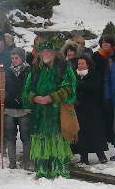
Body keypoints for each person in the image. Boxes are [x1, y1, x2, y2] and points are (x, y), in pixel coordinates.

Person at [23, 41, 77, 178]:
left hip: (57, 112)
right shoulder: (34, 69)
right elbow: (26, 91)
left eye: (49, 51)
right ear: (39, 53)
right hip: (40, 114)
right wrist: (34, 98)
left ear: (54, 53)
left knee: (58, 140)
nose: (46, 53)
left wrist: (52, 97)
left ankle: (59, 169)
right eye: (43, 51)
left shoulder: (64, 67)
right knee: (41, 141)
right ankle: (42, 169)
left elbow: (70, 87)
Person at [73, 51, 109, 164]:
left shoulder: (94, 74)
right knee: (81, 134)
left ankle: (101, 154)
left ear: (88, 64)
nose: (81, 65)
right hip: (79, 108)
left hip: (92, 108)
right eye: (79, 63)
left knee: (95, 133)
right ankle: (84, 157)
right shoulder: (74, 75)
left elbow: (95, 87)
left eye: (83, 63)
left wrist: (80, 85)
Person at [0, 47, 32, 169]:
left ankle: (27, 162)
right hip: (9, 107)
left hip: (24, 108)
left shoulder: (28, 71)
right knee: (10, 136)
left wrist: (22, 98)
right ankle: (12, 162)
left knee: (25, 136)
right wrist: (4, 94)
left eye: (16, 58)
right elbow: (3, 87)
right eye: (12, 58)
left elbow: (29, 87)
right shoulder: (7, 72)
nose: (14, 60)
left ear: (22, 58)